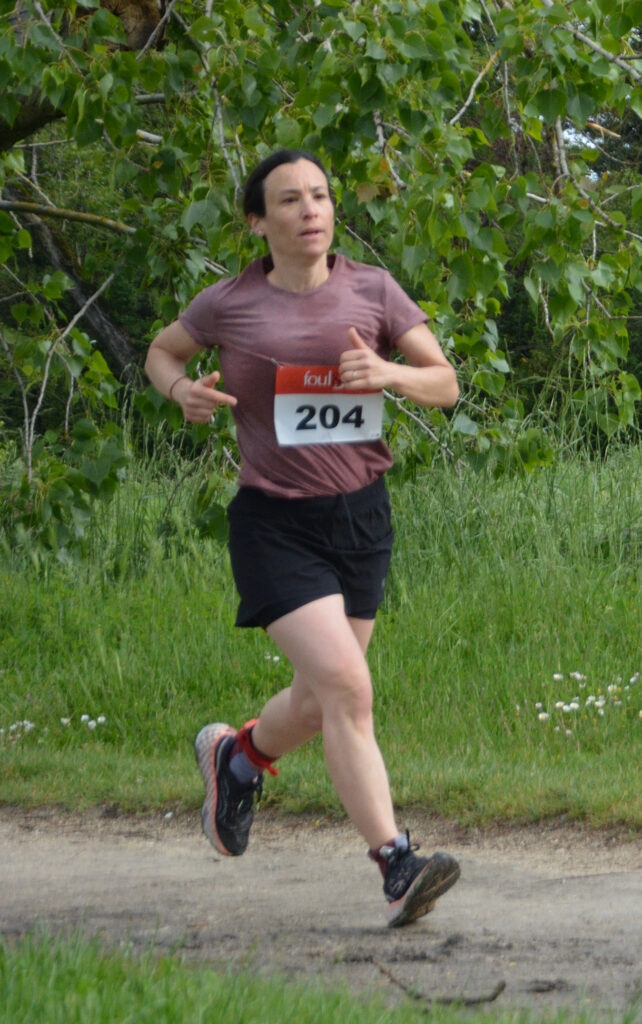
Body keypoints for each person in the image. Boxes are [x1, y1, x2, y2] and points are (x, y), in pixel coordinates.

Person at [145, 149, 461, 927]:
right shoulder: (229, 303)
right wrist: (182, 390)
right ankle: (397, 862)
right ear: (258, 222)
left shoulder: (373, 289)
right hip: (274, 523)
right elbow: (162, 350)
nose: (310, 210)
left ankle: (240, 756)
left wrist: (390, 375)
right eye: (289, 200)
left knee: (321, 702)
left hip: (360, 518)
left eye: (319, 195)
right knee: (349, 689)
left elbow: (445, 384)